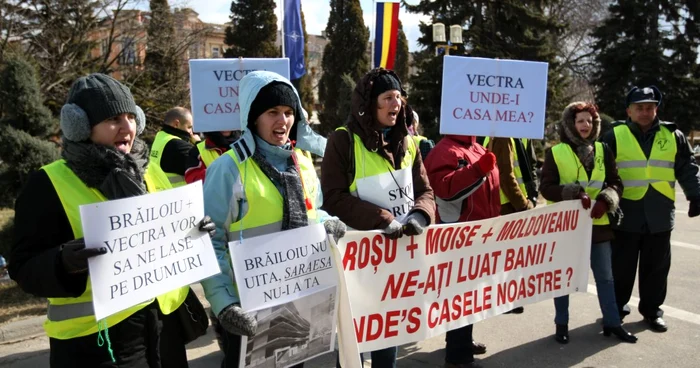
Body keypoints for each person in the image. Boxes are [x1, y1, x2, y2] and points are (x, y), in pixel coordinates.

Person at [8, 73, 212, 367]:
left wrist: (195, 230)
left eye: (131, 116)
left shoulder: (148, 169)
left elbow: (165, 236)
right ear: (81, 126)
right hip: (97, 345)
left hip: (163, 330)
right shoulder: (47, 183)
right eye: (113, 119)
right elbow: (23, 267)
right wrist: (63, 262)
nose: (127, 127)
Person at [200, 70, 345, 368]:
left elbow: (312, 212)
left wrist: (326, 221)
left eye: (289, 112)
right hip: (247, 311)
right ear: (254, 117)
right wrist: (224, 304)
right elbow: (207, 241)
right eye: (272, 112)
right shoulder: (228, 168)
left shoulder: (301, 162)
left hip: (298, 303)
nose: (283, 121)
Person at [321, 68, 435, 368]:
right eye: (387, 98)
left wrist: (420, 216)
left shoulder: (409, 143)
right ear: (370, 103)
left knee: (388, 331)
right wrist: (383, 219)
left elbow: (426, 190)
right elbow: (332, 197)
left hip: (397, 258)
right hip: (356, 260)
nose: (395, 104)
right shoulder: (342, 141)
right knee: (353, 337)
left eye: (399, 97)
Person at [600, 86, 700, 332]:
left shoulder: (673, 134)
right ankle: (617, 309)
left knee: (656, 268)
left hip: (660, 213)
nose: (645, 112)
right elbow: (601, 169)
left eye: (649, 107)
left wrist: (695, 194)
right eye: (639, 108)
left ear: (656, 109)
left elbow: (686, 166)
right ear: (629, 111)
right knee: (620, 267)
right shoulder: (614, 134)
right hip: (625, 212)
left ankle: (652, 311)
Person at [540, 102, 637, 344]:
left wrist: (606, 200)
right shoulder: (556, 152)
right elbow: (546, 188)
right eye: (581, 120)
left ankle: (613, 323)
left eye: (590, 121)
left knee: (605, 277)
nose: (586, 125)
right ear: (571, 124)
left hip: (599, 226)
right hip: (565, 227)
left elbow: (616, 183)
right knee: (563, 279)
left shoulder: (603, 150)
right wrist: (573, 192)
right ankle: (561, 324)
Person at [424, 131, 500, 368]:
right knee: (460, 295)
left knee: (471, 296)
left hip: (480, 236)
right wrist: (478, 170)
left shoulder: (476, 147)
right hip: (458, 238)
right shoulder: (444, 151)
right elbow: (444, 189)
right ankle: (457, 358)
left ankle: (461, 341)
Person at [482, 136, 538, 315]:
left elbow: (528, 165)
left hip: (508, 203)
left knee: (507, 256)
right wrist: (523, 204)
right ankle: (504, 300)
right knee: (507, 256)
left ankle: (506, 299)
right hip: (507, 204)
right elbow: (506, 176)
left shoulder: (516, 136)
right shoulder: (502, 136)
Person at [150, 106, 199, 188]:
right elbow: (205, 164)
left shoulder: (161, 136)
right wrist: (198, 143)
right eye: (189, 127)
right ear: (176, 124)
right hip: (178, 197)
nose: (191, 132)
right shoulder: (177, 145)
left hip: (160, 194)